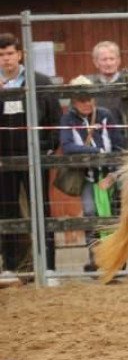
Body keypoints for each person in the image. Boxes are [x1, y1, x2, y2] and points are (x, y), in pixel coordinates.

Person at [0, 33, 62, 276]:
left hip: (36, 158)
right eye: (1, 55)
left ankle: (48, 267)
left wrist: (46, 148)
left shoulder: (41, 82)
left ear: (20, 54)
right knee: (7, 210)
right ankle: (12, 268)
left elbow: (55, 121)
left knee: (41, 210)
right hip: (4, 160)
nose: (6, 59)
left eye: (10, 53)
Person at [59, 75, 125, 272]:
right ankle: (95, 257)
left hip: (110, 174)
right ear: (73, 101)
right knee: (90, 213)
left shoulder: (106, 115)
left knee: (113, 214)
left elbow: (119, 143)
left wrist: (113, 173)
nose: (87, 103)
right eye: (81, 100)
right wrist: (96, 152)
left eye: (89, 99)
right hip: (87, 176)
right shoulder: (67, 119)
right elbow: (68, 146)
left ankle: (116, 258)